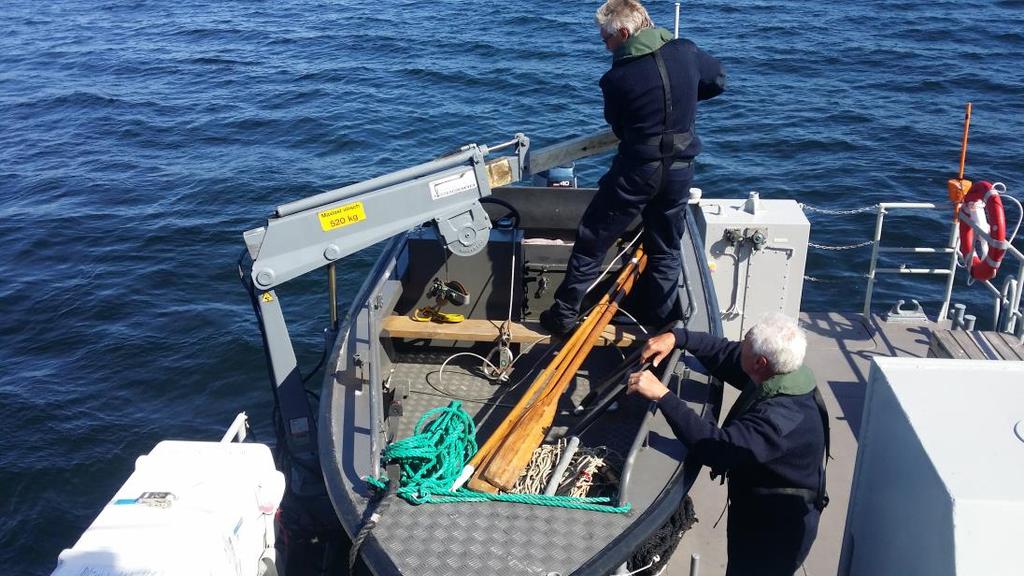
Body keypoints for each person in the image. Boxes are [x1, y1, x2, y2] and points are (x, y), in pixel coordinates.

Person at [539, 0, 726, 336]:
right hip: (680, 169)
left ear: (624, 33)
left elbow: (618, 126)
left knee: (593, 237)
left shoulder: (617, 79)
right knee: (666, 246)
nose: (604, 46)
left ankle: (564, 314)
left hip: (638, 171)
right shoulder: (685, 49)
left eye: (605, 39)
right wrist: (684, 97)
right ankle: (661, 321)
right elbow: (717, 80)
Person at [627, 312, 828, 576]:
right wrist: (677, 337)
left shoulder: (778, 421)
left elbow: (718, 449)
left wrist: (663, 396)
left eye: (745, 343)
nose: (738, 346)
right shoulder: (783, 372)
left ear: (760, 362)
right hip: (759, 511)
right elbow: (726, 354)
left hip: (775, 533)